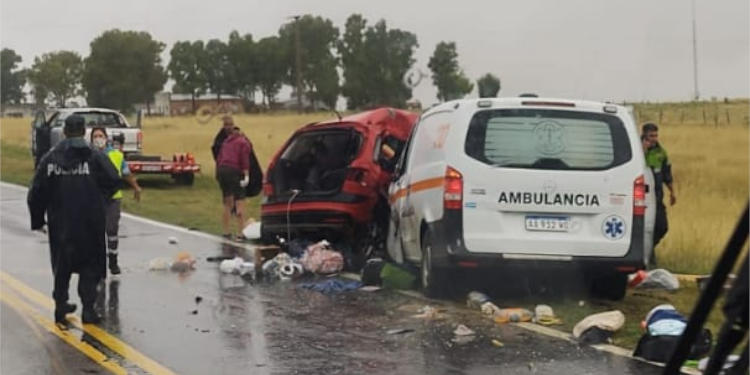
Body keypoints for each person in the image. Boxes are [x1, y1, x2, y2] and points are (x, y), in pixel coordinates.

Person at [27, 115, 120, 325]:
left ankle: (61, 305)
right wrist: (102, 200)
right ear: (84, 131)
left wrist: (38, 219)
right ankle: (88, 309)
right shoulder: (94, 156)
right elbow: (114, 179)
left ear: (65, 132)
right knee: (90, 267)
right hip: (90, 223)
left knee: (62, 266)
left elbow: (36, 192)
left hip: (61, 224)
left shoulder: (51, 159)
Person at [90, 127, 142, 275]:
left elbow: (126, 173)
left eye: (100, 136)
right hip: (95, 199)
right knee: (96, 231)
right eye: (95, 136)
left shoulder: (117, 155)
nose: (98, 139)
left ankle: (113, 261)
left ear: (106, 138)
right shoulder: (88, 155)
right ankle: (98, 262)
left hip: (113, 198)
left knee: (112, 229)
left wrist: (136, 187)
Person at [642, 123, 676, 263]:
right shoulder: (636, 149)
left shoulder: (661, 152)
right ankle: (647, 256)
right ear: (644, 135)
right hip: (641, 198)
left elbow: (667, 173)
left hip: (656, 198)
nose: (654, 139)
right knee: (643, 228)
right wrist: (643, 150)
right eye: (651, 136)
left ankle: (648, 250)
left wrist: (672, 192)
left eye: (656, 135)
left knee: (662, 227)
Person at [216, 125, 252, 240]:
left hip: (222, 171)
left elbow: (219, 159)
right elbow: (244, 160)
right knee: (239, 201)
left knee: (227, 203)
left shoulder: (225, 142)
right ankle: (240, 234)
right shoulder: (243, 142)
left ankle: (226, 232)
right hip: (234, 171)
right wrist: (246, 175)